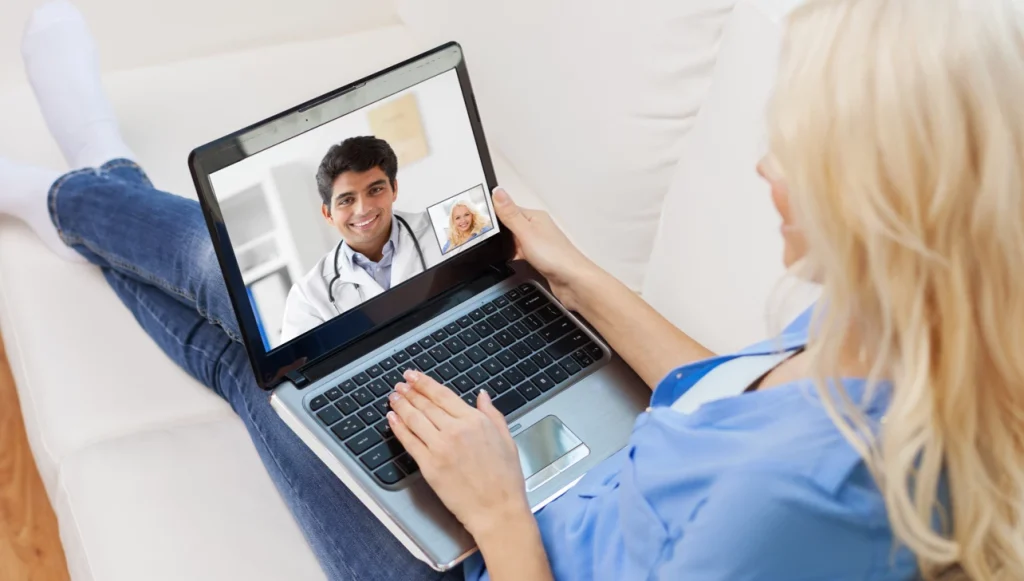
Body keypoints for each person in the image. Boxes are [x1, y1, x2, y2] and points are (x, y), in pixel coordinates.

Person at [2, 0, 1022, 579]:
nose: (764, 169)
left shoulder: (793, 506)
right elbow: (727, 397)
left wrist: (495, 508)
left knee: (252, 354)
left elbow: (758, 466)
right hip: (563, 488)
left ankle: (75, 185)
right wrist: (576, 271)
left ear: (887, 203)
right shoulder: (893, 329)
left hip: (483, 556)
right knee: (269, 322)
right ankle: (88, 180)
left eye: (798, 152)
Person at [280, 136, 441, 342]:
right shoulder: (308, 297)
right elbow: (305, 371)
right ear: (328, 214)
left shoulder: (449, 224)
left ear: (394, 189)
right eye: (347, 200)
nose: (363, 209)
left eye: (375, 190)